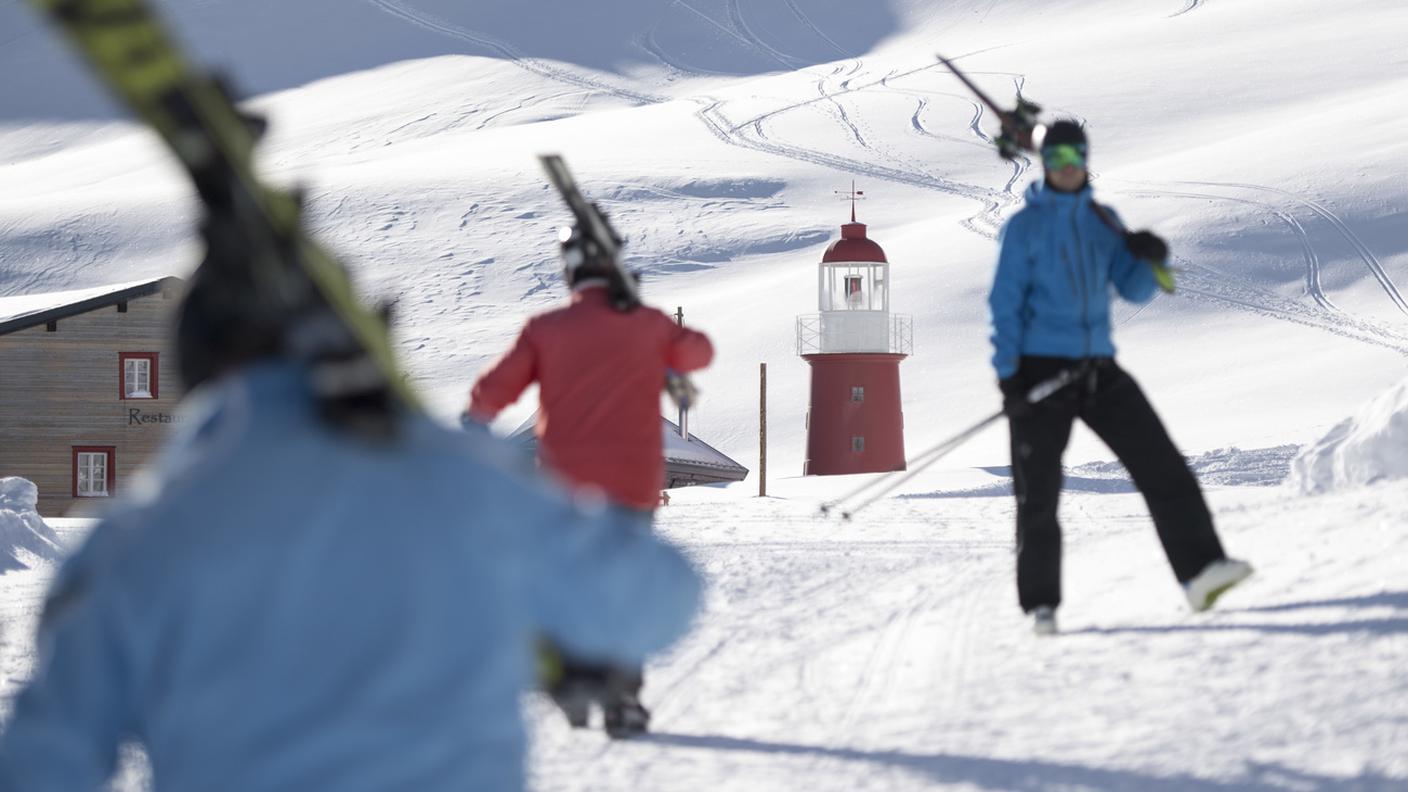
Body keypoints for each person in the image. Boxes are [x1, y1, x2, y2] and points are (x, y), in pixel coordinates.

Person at [0, 215, 701, 791]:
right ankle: (614, 692)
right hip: (618, 483)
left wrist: (472, 427)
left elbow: (41, 763)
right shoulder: (469, 489)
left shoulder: (134, 540)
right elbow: (663, 598)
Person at [988, 119, 1252, 636]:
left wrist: (1150, 259)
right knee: (1037, 494)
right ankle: (1042, 606)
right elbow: (1003, 305)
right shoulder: (1026, 227)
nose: (1067, 167)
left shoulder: (1102, 220)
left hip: (1097, 369)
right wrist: (1009, 381)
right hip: (1039, 373)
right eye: (1057, 157)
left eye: (1075, 156)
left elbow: (1131, 291)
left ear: (1086, 159)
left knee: (1163, 467)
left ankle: (1201, 573)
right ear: (1045, 163)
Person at [466, 223, 713, 737]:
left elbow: (495, 388)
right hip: (633, 483)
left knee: (565, 578)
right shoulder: (647, 325)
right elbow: (698, 354)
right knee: (620, 587)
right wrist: (644, 312)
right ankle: (622, 700)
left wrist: (476, 420)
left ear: (571, 269)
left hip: (564, 484)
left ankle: (571, 680)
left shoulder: (546, 328)